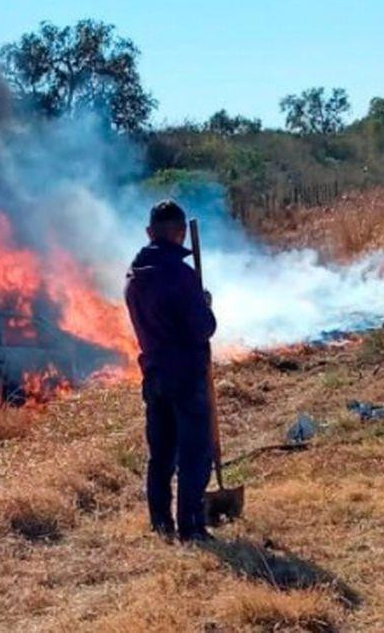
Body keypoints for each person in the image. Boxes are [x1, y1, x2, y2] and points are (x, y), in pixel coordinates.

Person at [125, 200, 217, 542]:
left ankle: (161, 523)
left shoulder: (133, 277)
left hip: (154, 372)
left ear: (150, 233)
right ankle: (191, 527)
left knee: (161, 453)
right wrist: (205, 306)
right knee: (195, 451)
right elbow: (201, 328)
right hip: (186, 373)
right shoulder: (181, 275)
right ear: (180, 235)